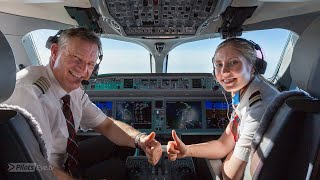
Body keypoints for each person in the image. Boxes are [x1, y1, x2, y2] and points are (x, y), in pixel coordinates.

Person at [4, 27, 162, 179]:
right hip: (42, 170)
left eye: (90, 64)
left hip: (64, 158)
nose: (83, 70)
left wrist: (140, 139)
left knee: (120, 150)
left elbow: (106, 125)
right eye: (77, 59)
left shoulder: (73, 88)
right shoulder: (29, 93)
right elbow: (28, 165)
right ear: (54, 52)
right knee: (116, 169)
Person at [166, 38, 279, 179]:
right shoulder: (247, 93)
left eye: (233, 62)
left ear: (253, 66)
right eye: (219, 64)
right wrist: (187, 150)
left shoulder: (259, 107)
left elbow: (230, 177)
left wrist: (230, 157)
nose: (224, 71)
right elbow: (223, 144)